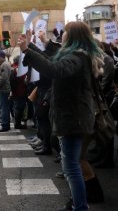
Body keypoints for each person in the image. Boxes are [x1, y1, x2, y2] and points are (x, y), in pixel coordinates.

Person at [18, 21, 104, 211]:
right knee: (72, 165)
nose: (62, 34)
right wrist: (30, 46)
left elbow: (54, 69)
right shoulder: (76, 55)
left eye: (65, 32)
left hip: (74, 118)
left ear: (72, 36)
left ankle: (80, 206)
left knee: (72, 167)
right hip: (73, 117)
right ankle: (77, 203)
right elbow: (52, 60)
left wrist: (27, 51)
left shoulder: (76, 57)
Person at [0, 50, 12, 132]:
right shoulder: (5, 64)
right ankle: (6, 124)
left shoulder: (4, 65)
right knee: (5, 107)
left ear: (0, 56)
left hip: (3, 89)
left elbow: (3, 78)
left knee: (3, 108)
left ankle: (4, 125)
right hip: (5, 89)